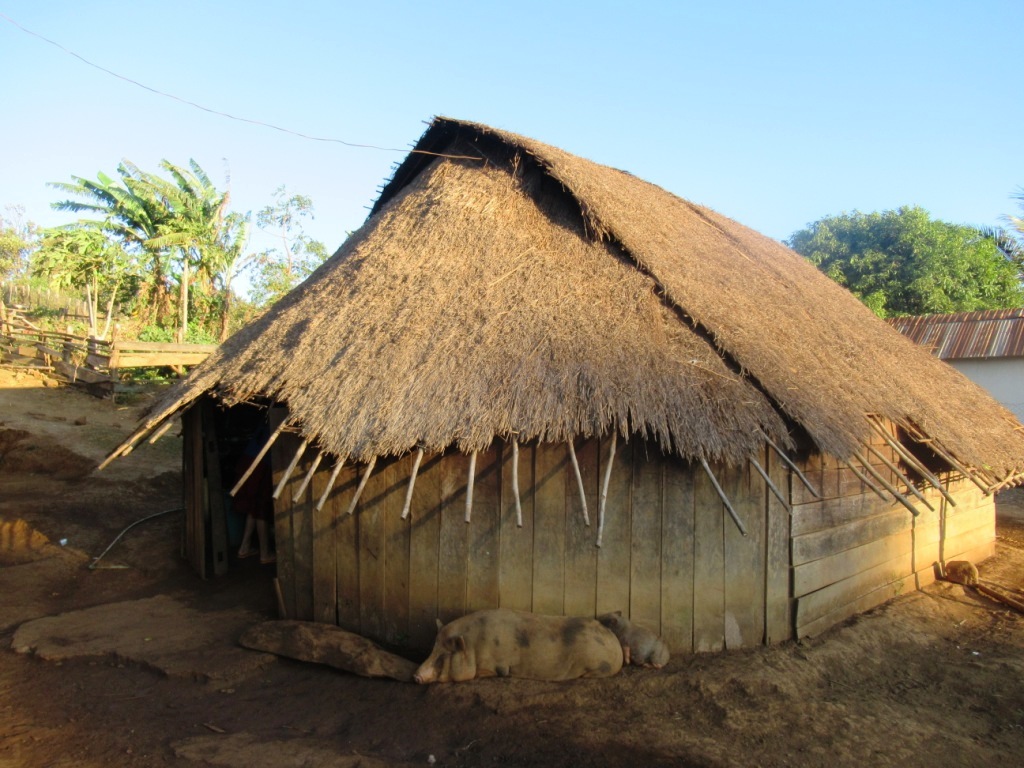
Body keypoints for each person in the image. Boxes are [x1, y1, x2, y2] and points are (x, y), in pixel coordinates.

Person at [234, 432, 275, 564]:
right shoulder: (274, 422)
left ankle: (244, 547)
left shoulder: (264, 422)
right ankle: (265, 554)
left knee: (253, 507)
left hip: (247, 462)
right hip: (260, 465)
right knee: (261, 510)